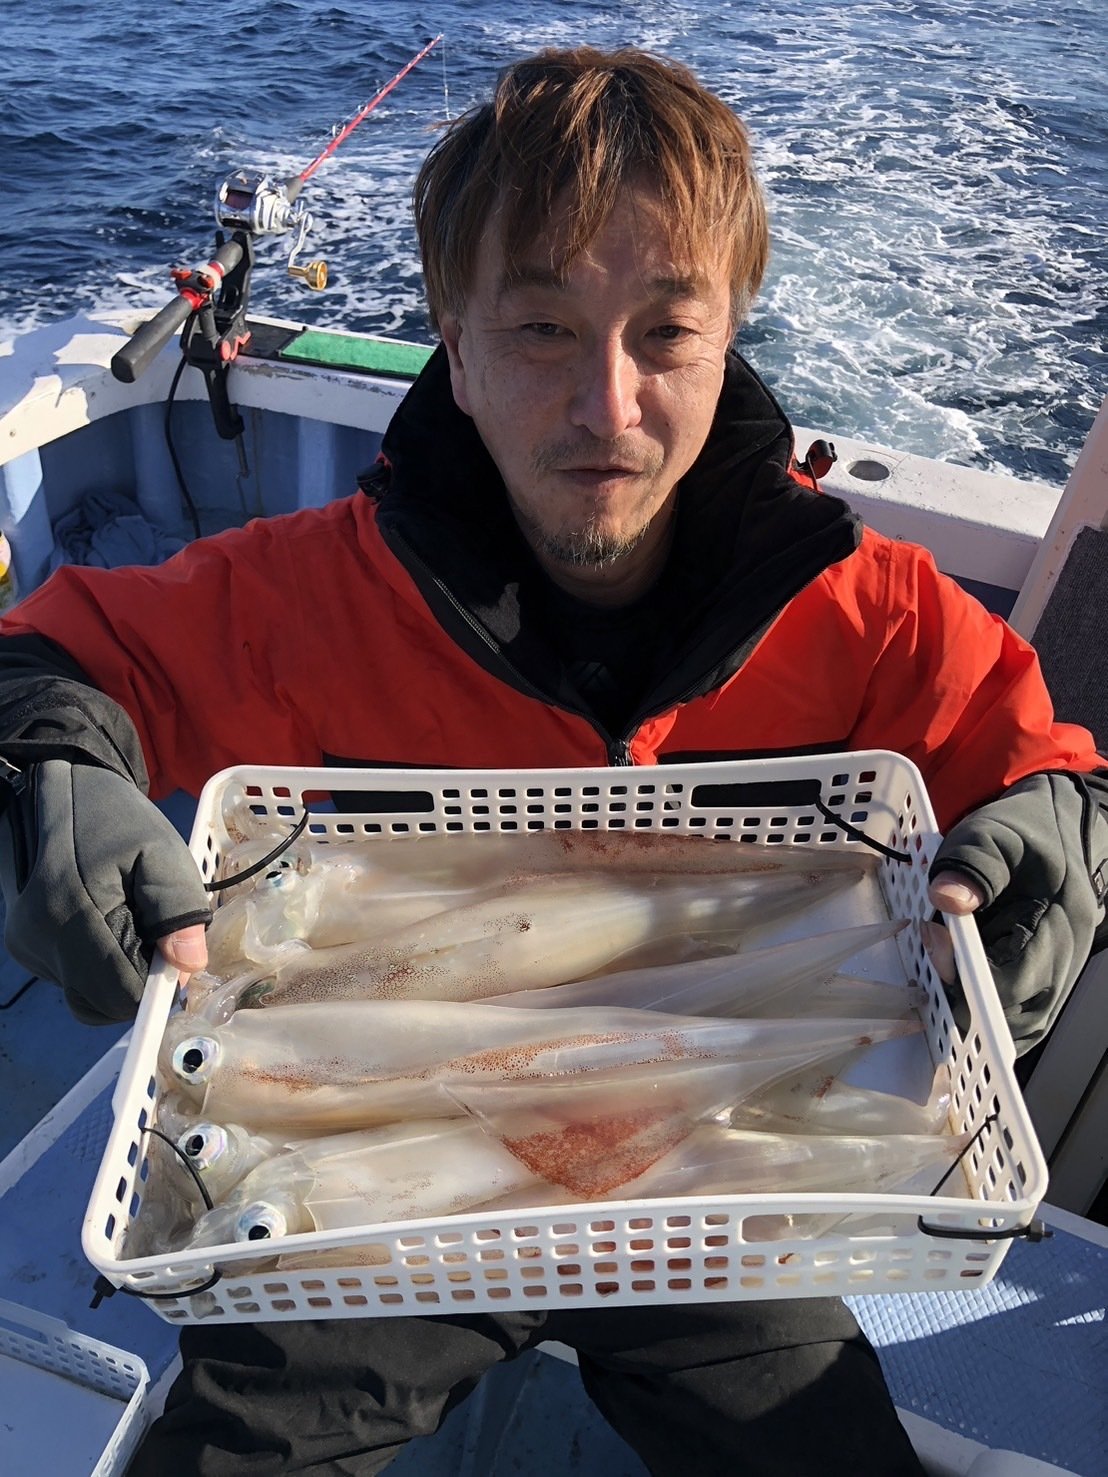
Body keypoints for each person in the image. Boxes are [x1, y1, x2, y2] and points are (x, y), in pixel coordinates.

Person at [0, 45, 1104, 1477]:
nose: (608, 405)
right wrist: (56, 770)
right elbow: (53, 661)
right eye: (539, 329)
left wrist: (1052, 829)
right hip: (379, 1195)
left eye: (666, 332)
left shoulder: (867, 609)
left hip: (702, 1186)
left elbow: (1034, 761)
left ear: (730, 338)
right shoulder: (305, 597)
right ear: (453, 349)